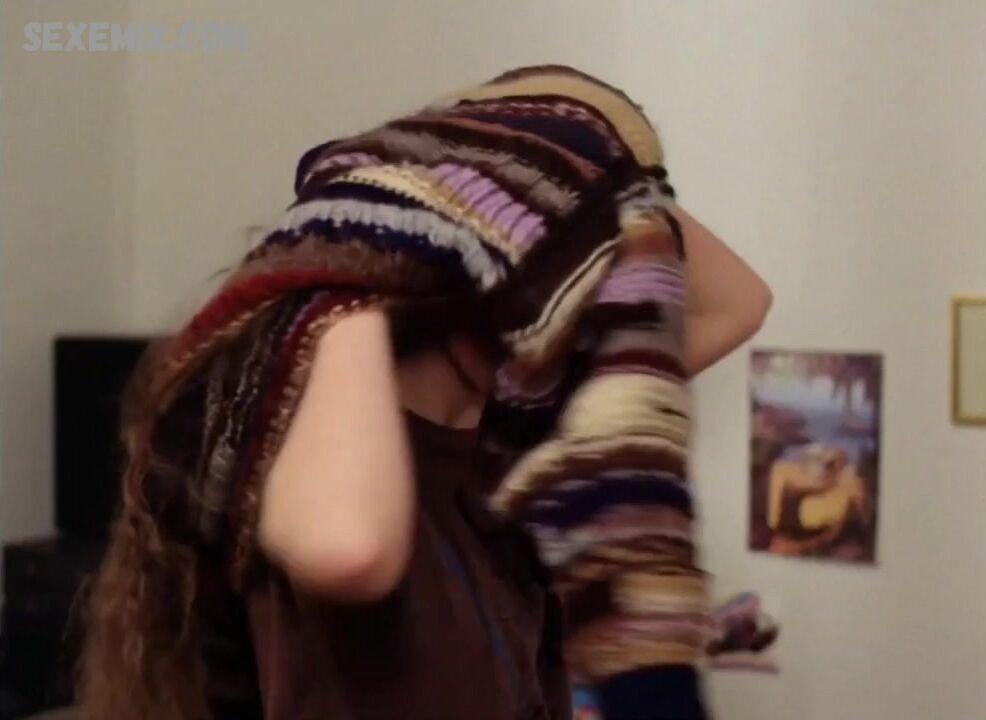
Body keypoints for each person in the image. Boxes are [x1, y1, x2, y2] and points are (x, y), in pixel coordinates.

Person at [76, 65, 771, 720]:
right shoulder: (302, 413)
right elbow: (348, 551)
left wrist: (619, 165)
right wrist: (351, 262)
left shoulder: (512, 436)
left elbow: (737, 303)